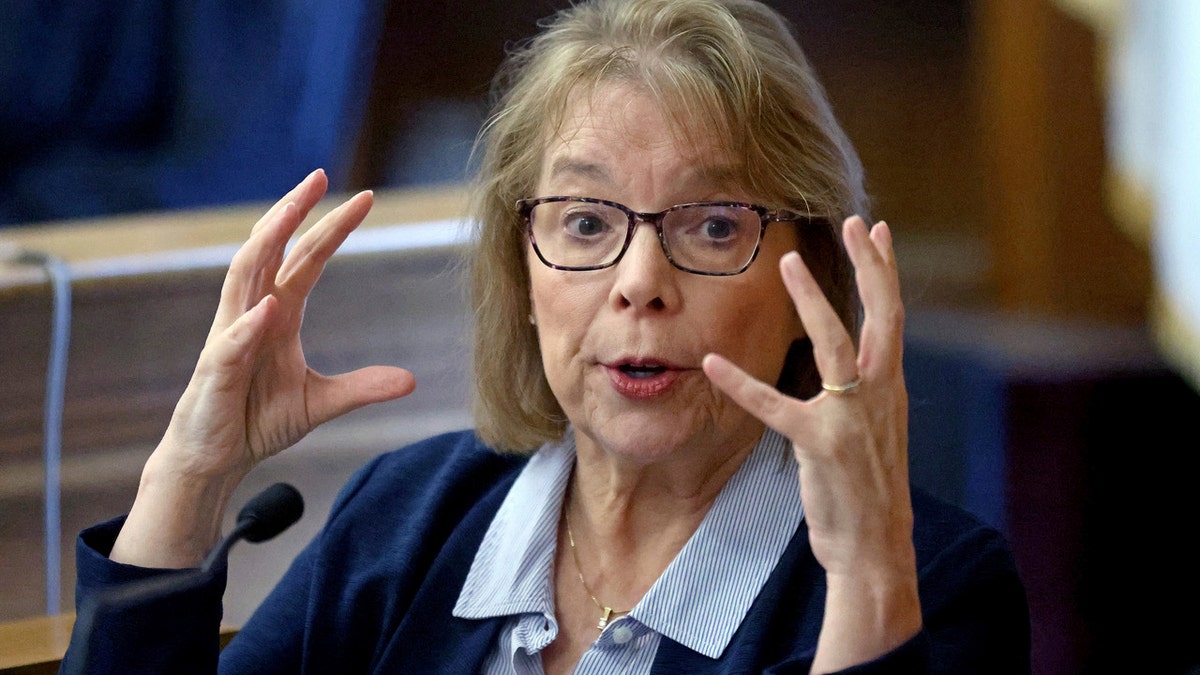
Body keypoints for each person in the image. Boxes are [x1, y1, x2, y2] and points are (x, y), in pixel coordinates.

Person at [60, 0, 1030, 673]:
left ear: (813, 276)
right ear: (520, 272)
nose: (639, 285)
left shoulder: (938, 585)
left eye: (714, 226)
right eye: (585, 223)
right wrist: (189, 472)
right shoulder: (414, 513)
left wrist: (865, 574)